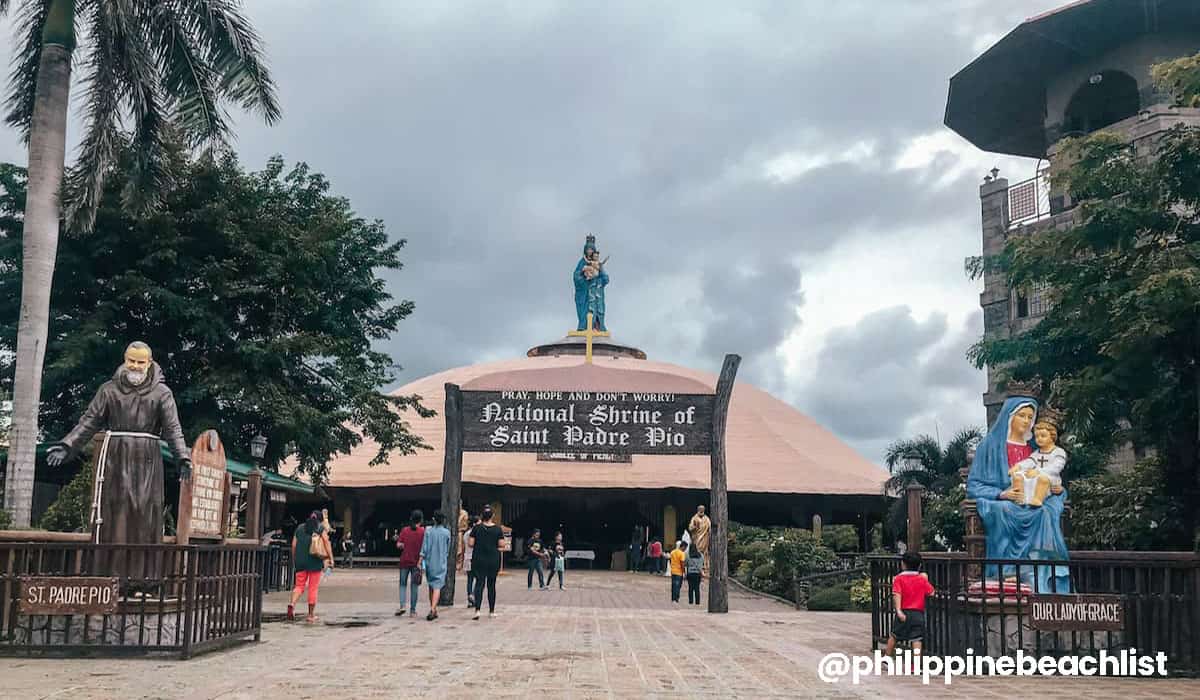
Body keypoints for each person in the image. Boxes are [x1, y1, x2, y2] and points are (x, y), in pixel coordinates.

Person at [966, 388, 1070, 592]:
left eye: (1030, 417)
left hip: (1034, 502)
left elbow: (1050, 476)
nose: (1026, 421)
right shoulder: (989, 446)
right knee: (1004, 509)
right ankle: (1006, 571)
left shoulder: (1036, 447)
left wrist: (1057, 489)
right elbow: (974, 485)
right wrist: (1001, 494)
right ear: (1009, 416)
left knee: (1044, 513)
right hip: (1004, 501)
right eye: (1021, 415)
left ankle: (1041, 571)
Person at [884, 552, 936, 657]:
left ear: (903, 564)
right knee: (917, 638)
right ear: (919, 565)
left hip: (904, 611)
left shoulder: (899, 578)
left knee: (894, 635)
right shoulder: (921, 579)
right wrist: (925, 579)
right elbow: (931, 592)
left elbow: (896, 593)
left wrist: (898, 610)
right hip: (918, 613)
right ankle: (916, 664)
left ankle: (887, 656)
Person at [289, 511, 331, 623]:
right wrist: (330, 557)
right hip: (314, 561)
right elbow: (326, 542)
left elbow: (293, 545)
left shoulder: (299, 528)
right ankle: (311, 615)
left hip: (300, 562)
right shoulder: (319, 528)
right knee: (313, 588)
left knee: (299, 586)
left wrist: (295, 559)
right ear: (320, 520)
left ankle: (292, 605)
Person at [469, 506, 504, 619]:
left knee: (479, 584)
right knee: (491, 585)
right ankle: (491, 611)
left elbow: (470, 543)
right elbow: (501, 544)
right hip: (493, 559)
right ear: (492, 516)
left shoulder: (476, 528)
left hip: (479, 558)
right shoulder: (498, 529)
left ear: (482, 516)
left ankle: (477, 610)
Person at [419, 511, 452, 621]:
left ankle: (433, 608)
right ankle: (433, 609)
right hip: (441, 561)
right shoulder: (447, 533)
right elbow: (448, 548)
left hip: (430, 561)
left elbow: (424, 547)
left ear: (434, 519)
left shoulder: (428, 532)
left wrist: (420, 560)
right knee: (437, 586)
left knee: (431, 585)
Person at [573, 234, 609, 331]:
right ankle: (584, 326)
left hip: (595, 292)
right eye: (588, 249)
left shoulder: (598, 264)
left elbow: (605, 279)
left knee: (596, 309)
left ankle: (597, 326)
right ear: (585, 250)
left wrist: (599, 278)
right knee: (586, 312)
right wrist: (583, 274)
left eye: (591, 250)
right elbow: (576, 276)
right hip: (585, 293)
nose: (589, 251)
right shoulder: (582, 262)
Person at [395, 509, 424, 617]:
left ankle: (402, 605)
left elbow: (399, 545)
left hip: (404, 561)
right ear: (421, 520)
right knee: (414, 586)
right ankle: (412, 610)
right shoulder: (422, 532)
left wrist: (403, 545)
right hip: (416, 562)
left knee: (402, 584)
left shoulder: (405, 530)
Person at [689, 505, 712, 577]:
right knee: (697, 552)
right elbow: (690, 527)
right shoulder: (694, 518)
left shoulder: (707, 519)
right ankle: (697, 568)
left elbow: (710, 529)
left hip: (705, 539)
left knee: (705, 554)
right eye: (700, 509)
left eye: (702, 509)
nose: (701, 510)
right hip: (697, 538)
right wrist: (694, 527)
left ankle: (705, 569)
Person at [464, 515, 480, 607]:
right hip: (475, 558)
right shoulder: (477, 533)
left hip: (467, 557)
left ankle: (470, 597)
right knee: (478, 579)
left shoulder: (466, 534)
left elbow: (463, 547)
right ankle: (473, 595)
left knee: (469, 579)